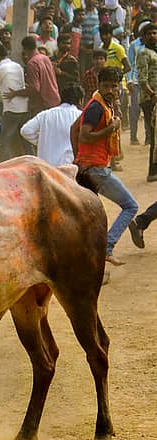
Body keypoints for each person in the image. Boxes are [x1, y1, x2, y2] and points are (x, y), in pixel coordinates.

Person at [74, 66, 140, 265]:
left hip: (88, 166)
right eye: (106, 86)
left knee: (91, 218)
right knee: (130, 206)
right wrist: (111, 128)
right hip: (96, 170)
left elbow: (73, 129)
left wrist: (78, 159)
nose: (110, 90)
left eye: (114, 86)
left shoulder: (101, 104)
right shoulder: (96, 107)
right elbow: (84, 135)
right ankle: (107, 247)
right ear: (99, 86)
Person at [0, 43, 31, 160]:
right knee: (25, 140)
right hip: (24, 107)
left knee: (2, 142)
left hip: (12, 109)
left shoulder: (0, 69)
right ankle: (32, 161)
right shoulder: (17, 66)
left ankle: (3, 164)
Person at [21, 84, 84, 166]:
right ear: (80, 100)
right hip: (70, 167)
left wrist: (42, 141)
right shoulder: (81, 116)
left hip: (46, 167)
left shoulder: (45, 114)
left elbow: (25, 131)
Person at [10, 36, 61, 115]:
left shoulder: (32, 63)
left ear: (25, 49)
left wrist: (15, 93)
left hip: (42, 105)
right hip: (54, 101)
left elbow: (34, 89)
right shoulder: (45, 58)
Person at [136, 22, 157, 176]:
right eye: (149, 33)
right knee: (154, 135)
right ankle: (152, 171)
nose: (153, 36)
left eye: (155, 33)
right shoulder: (143, 53)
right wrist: (153, 95)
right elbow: (142, 80)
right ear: (143, 37)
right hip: (150, 99)